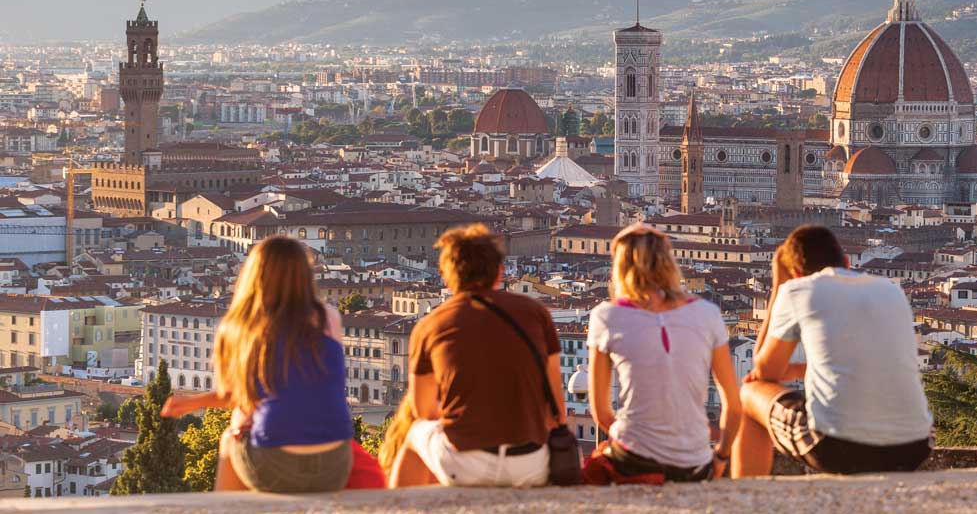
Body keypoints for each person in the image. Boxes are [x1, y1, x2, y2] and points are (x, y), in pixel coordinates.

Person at [732, 225, 932, 477]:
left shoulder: (797, 289)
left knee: (749, 393)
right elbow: (860, 364)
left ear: (795, 273)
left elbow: (762, 371)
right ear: (846, 262)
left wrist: (778, 288)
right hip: (914, 445)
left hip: (836, 447)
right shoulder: (891, 290)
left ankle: (743, 500)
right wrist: (797, 370)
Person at [161, 236, 354, 493]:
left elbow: (237, 396)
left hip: (276, 464)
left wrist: (191, 402)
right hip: (336, 462)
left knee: (231, 436)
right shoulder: (328, 316)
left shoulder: (243, 326)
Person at [390, 224, 565, 488]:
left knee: (415, 434)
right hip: (530, 464)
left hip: (464, 465)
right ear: (499, 272)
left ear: (447, 276)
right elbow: (558, 409)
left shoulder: (430, 325)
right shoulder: (535, 313)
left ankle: (398, 508)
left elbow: (423, 410)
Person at [586, 224, 741, 482]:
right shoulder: (708, 314)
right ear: (670, 263)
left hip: (634, 461)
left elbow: (601, 414)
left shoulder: (606, 316)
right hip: (695, 464)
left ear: (620, 268)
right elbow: (734, 407)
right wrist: (721, 457)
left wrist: (639, 438)